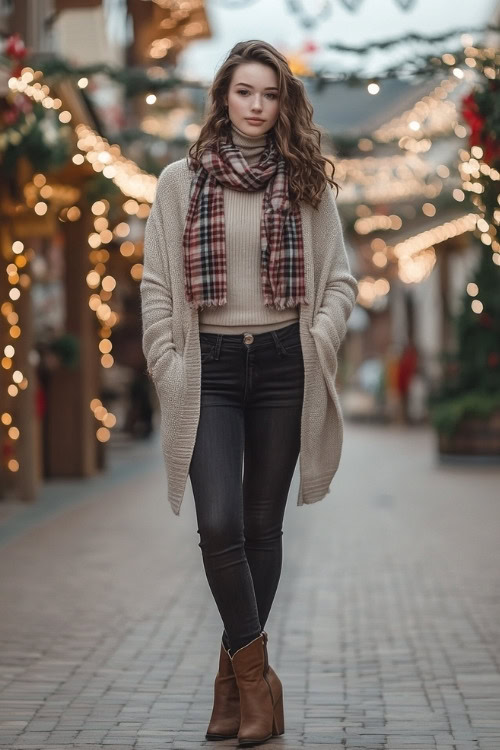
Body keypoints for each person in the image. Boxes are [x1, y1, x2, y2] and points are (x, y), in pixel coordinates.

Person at [140, 39, 358, 747]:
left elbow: (341, 282)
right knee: (219, 524)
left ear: (282, 101)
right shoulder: (179, 182)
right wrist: (168, 362)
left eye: (269, 94)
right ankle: (257, 680)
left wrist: (319, 335)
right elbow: (155, 288)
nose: (257, 107)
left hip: (283, 366)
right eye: (245, 93)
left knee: (262, 529)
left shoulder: (305, 183)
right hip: (209, 370)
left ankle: (233, 687)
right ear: (223, 96)